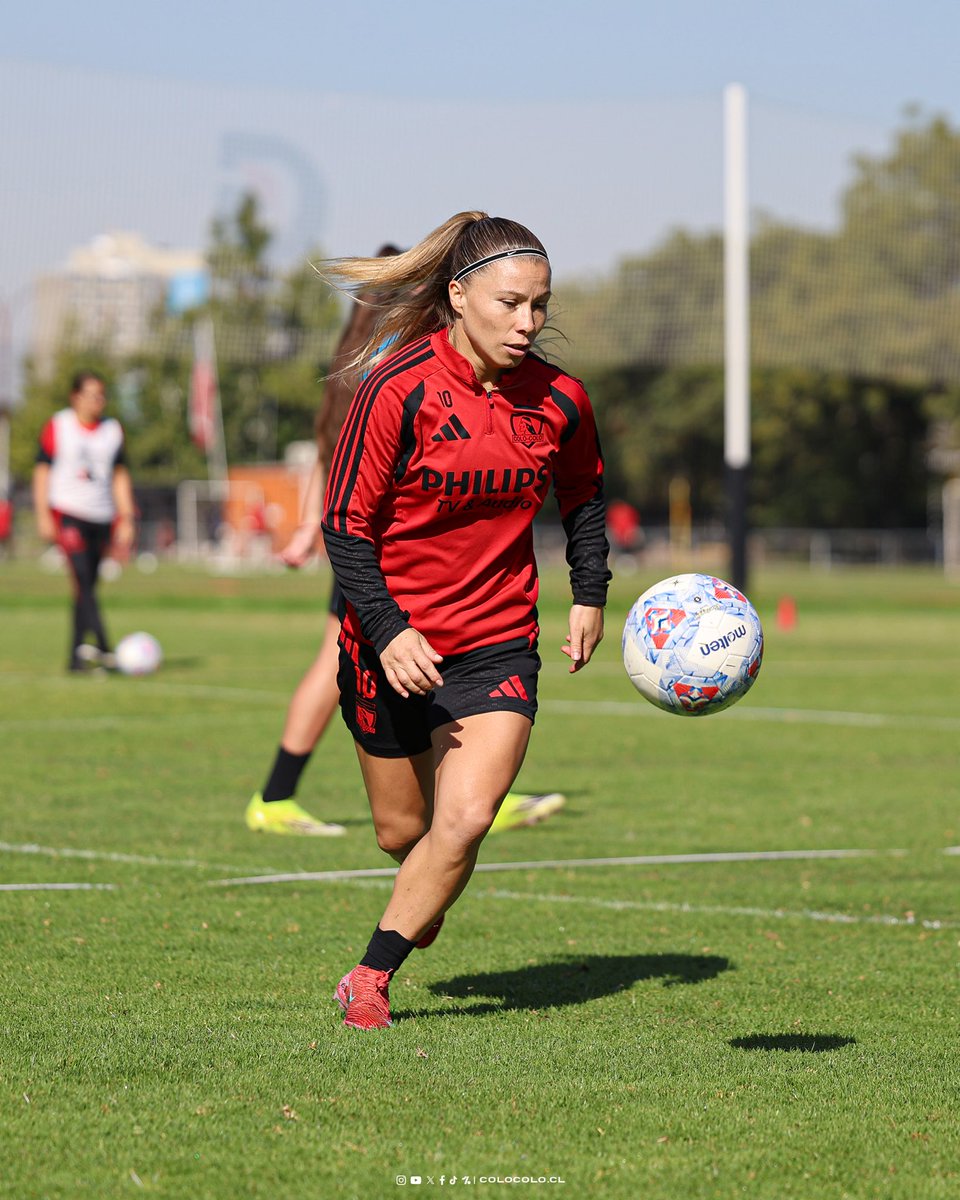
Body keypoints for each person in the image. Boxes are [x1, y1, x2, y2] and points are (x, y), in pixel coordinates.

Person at [320, 212, 611, 1029]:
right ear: (458, 295)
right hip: (392, 644)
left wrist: (589, 591)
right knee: (402, 833)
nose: (528, 323)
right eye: (511, 303)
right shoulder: (397, 388)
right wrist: (387, 628)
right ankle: (423, 889)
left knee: (468, 817)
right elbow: (344, 525)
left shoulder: (560, 399)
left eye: (540, 306)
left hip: (498, 640)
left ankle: (371, 977)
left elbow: (584, 497)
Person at [245, 245, 567, 838]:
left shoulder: (364, 358)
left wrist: (305, 524)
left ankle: (464, 782)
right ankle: (282, 793)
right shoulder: (396, 369)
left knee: (357, 659)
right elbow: (348, 450)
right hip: (383, 550)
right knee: (357, 660)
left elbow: (327, 446)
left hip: (374, 539)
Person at [32, 371, 136, 672]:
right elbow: (42, 471)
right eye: (92, 395)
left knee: (87, 584)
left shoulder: (112, 431)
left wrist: (126, 518)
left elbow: (120, 476)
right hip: (68, 512)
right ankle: (105, 647)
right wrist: (42, 513)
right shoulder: (59, 425)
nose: (98, 401)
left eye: (102, 395)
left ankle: (76, 657)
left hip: (101, 515)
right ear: (75, 396)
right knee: (81, 578)